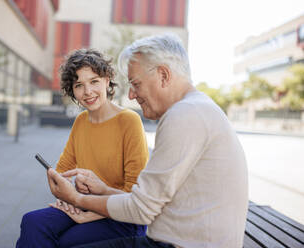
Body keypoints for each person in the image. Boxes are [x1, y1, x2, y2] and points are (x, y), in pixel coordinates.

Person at [47, 33, 249, 248]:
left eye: (135, 83)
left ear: (163, 75)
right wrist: (103, 189)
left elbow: (141, 209)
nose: (131, 95)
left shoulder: (185, 115)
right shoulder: (197, 108)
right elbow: (149, 200)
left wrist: (78, 200)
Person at [16, 49, 149, 248]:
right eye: (79, 85)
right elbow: (63, 169)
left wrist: (87, 211)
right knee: (32, 222)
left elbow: (135, 195)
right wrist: (62, 188)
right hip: (85, 205)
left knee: (66, 241)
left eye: (94, 81)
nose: (87, 92)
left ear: (106, 80)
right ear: (73, 91)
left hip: (123, 215)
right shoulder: (81, 121)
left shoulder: (129, 121)